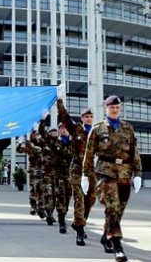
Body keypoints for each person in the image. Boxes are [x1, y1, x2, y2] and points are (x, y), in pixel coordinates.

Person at [82, 95, 142, 262]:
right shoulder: (97, 129)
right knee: (113, 207)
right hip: (106, 173)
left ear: (119, 108)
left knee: (118, 211)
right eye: (111, 107)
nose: (115, 110)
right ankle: (118, 246)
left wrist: (137, 174)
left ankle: (105, 236)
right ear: (106, 108)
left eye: (117, 107)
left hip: (125, 173)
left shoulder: (127, 128)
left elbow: (134, 153)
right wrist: (85, 176)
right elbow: (89, 154)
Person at [58, 98, 96, 246]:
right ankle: (80, 231)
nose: (89, 118)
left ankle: (79, 222)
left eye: (91, 116)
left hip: (91, 171)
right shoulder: (77, 129)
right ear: (82, 118)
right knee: (79, 199)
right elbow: (65, 118)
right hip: (77, 169)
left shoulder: (97, 132)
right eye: (86, 116)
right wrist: (60, 102)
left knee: (89, 201)